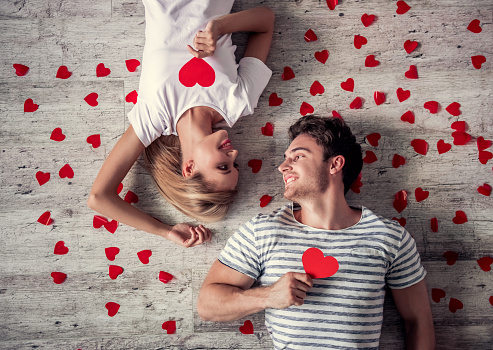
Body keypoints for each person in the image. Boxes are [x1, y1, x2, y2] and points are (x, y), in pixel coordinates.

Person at [197, 115, 436, 349]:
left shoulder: (391, 238)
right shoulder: (262, 231)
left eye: (298, 156)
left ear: (335, 164)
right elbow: (207, 305)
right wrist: (268, 297)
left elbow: (418, 322)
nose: (282, 167)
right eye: (285, 158)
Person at [87, 0, 274, 247]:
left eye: (223, 166)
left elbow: (99, 198)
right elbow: (265, 21)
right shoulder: (240, 102)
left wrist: (164, 231)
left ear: (189, 168)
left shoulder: (153, 117)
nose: (234, 153)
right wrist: (219, 26)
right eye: (234, 163)